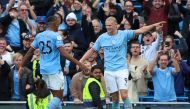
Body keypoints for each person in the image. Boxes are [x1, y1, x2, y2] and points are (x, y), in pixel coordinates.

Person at [80, 16, 165, 108]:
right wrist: (81, 60)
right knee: (115, 98)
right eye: (106, 25)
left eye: (110, 25)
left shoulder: (124, 34)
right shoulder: (102, 37)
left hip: (122, 69)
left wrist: (153, 26)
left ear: (116, 25)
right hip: (109, 71)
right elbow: (92, 50)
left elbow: (141, 30)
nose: (108, 27)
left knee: (124, 95)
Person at [20, 15, 88, 109]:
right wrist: (80, 64)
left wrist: (20, 66)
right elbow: (64, 54)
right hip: (54, 69)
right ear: (54, 23)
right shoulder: (56, 36)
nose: (59, 25)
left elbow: (29, 52)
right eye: (58, 22)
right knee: (58, 97)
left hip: (43, 69)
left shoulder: (39, 35)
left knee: (52, 96)